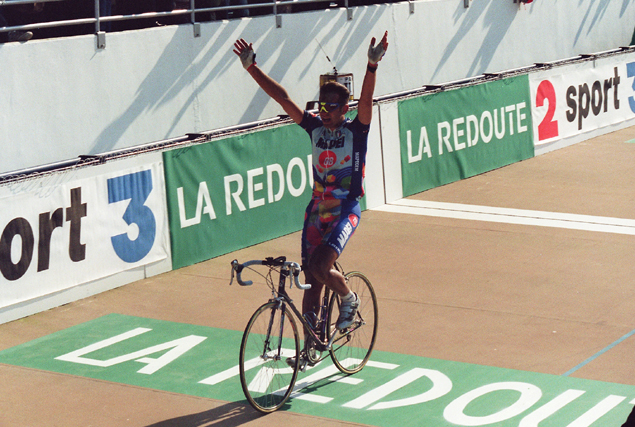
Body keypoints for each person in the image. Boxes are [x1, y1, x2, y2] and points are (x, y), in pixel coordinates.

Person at [233, 32, 388, 368]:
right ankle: (310, 348)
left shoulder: (356, 130)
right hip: (317, 212)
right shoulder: (314, 128)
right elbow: (284, 99)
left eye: (332, 107)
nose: (325, 111)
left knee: (320, 266)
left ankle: (349, 297)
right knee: (310, 283)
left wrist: (371, 66)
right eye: (322, 106)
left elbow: (366, 101)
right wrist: (252, 68)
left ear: (343, 108)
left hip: (346, 209)